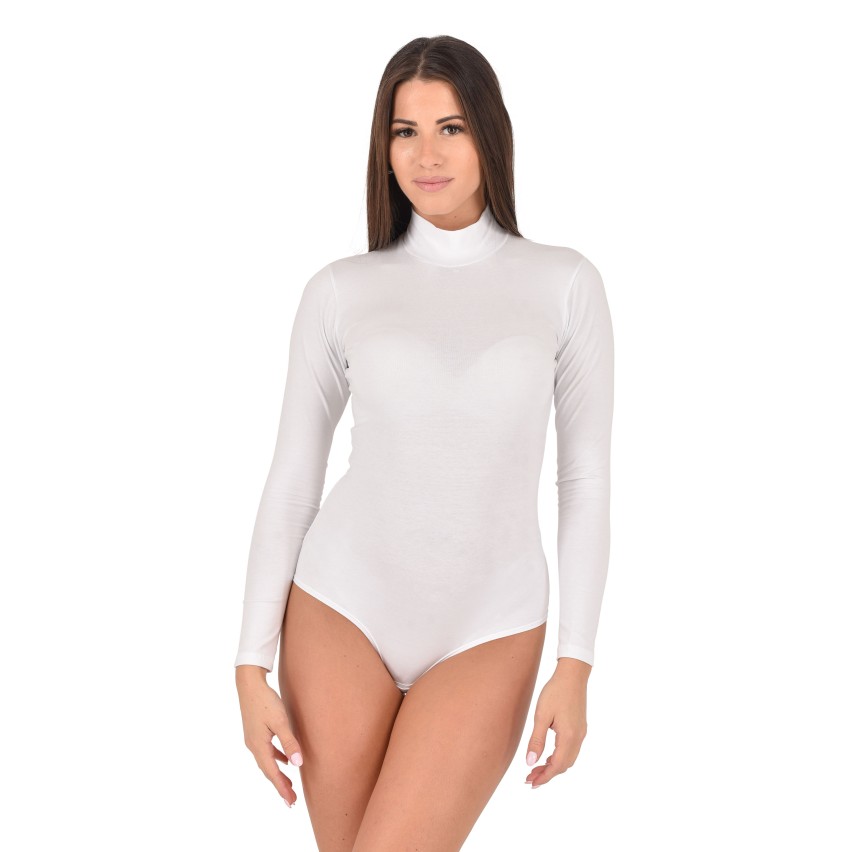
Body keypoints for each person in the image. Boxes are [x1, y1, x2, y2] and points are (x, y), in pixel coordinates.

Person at [234, 34, 615, 850]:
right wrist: (249, 664)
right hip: (340, 609)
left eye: (451, 128)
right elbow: (295, 479)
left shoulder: (565, 284)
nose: (426, 154)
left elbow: (583, 480)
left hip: (490, 627)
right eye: (404, 131)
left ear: (489, 133)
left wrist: (576, 662)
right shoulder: (341, 290)